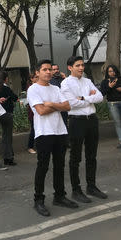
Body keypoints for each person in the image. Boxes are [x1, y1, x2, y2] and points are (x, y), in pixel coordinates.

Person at [27, 60, 78, 216]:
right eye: (44, 69)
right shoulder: (33, 90)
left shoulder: (56, 88)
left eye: (50, 69)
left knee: (59, 166)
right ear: (37, 72)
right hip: (44, 133)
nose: (48, 72)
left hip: (60, 131)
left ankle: (59, 196)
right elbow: (41, 111)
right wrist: (56, 105)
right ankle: (38, 200)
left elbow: (67, 106)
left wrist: (50, 104)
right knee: (43, 167)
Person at [61, 56, 107, 203]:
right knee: (75, 157)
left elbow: (100, 97)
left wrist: (83, 98)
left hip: (92, 120)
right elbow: (71, 103)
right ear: (70, 68)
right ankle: (76, 190)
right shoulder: (65, 83)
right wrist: (88, 98)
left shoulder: (87, 81)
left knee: (91, 155)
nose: (81, 68)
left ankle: (91, 186)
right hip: (76, 122)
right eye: (77, 65)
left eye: (82, 65)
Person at [100, 65, 121, 148]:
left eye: (113, 71)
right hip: (112, 104)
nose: (112, 73)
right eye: (110, 71)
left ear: (116, 71)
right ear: (107, 73)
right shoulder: (105, 82)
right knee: (118, 123)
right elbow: (102, 93)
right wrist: (109, 87)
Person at [0, 71, 18, 165]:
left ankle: (6, 156)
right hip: (6, 114)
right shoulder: (6, 88)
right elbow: (15, 97)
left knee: (4, 136)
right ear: (6, 78)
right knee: (7, 137)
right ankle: (8, 158)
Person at [26, 73, 38, 154]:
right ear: (31, 79)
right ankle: (30, 147)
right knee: (33, 129)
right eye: (35, 77)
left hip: (39, 112)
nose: (37, 78)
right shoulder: (30, 88)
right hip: (32, 112)